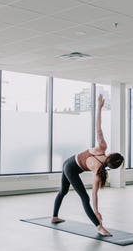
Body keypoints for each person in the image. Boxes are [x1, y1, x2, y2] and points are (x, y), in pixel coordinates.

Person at [52, 94, 125, 237]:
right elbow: (93, 195)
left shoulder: (102, 150)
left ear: (110, 155)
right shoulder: (99, 170)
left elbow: (98, 127)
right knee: (83, 198)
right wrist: (96, 211)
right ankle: (99, 227)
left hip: (69, 164)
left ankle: (54, 217)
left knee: (64, 191)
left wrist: (99, 107)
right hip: (70, 167)